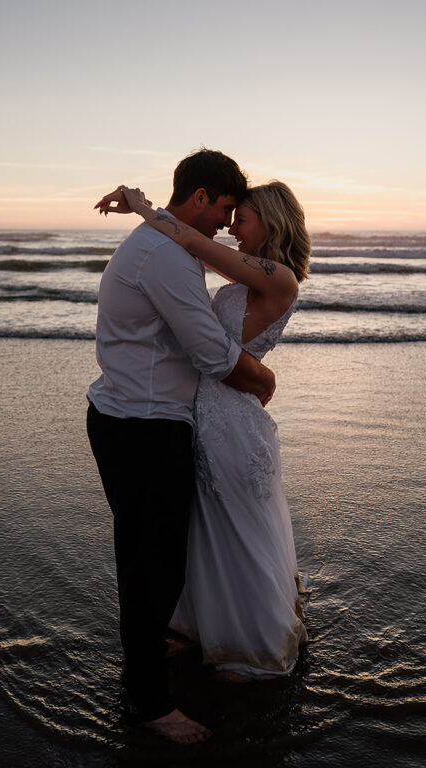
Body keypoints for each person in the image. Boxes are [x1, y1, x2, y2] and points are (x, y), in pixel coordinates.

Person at [86, 149, 276, 745]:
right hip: (144, 426)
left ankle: (155, 647)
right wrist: (264, 380)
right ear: (198, 198)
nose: (225, 221)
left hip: (126, 415)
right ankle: (147, 703)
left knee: (148, 556)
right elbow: (211, 355)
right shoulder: (166, 256)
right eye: (223, 207)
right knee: (153, 564)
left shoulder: (160, 242)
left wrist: (140, 202)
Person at [95, 178, 311, 679]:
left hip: (232, 421)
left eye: (244, 217)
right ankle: (201, 627)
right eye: (231, 216)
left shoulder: (279, 278)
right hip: (205, 414)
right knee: (205, 529)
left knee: (239, 530)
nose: (233, 227)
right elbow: (185, 245)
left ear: (272, 222)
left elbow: (191, 241)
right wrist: (144, 209)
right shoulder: (245, 280)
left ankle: (251, 643)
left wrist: (139, 207)